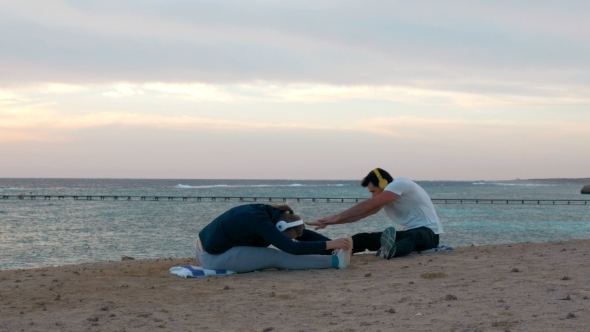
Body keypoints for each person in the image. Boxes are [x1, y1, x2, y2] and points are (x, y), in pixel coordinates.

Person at [307, 168, 443, 259]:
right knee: (364, 238)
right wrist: (332, 221)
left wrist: (336, 217)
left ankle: (393, 250)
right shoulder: (389, 195)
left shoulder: (400, 184)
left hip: (430, 234)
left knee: (412, 236)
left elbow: (368, 206)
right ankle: (330, 251)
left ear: (384, 184)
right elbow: (363, 213)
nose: (373, 196)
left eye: (373, 191)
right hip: (409, 233)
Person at [195, 203, 351, 273]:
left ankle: (333, 255)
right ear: (280, 227)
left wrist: (334, 246)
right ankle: (336, 262)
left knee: (277, 252)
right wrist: (330, 244)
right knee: (278, 256)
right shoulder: (259, 221)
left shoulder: (273, 215)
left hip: (202, 248)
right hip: (211, 258)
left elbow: (301, 235)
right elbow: (292, 248)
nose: (288, 239)